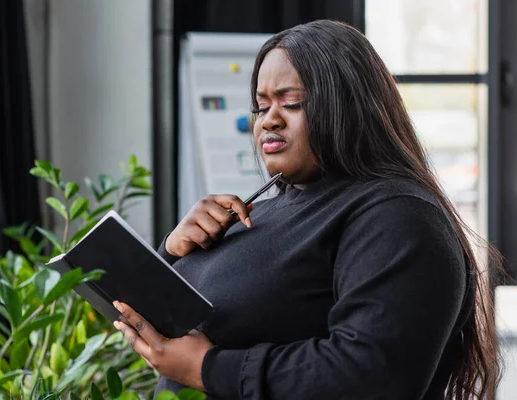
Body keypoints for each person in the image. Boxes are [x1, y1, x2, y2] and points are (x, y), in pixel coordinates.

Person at [112, 20, 502, 399]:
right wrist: (173, 253)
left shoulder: (398, 217)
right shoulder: (261, 210)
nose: (270, 120)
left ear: (349, 107)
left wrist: (208, 369)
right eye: (261, 107)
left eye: (291, 102)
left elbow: (370, 375)